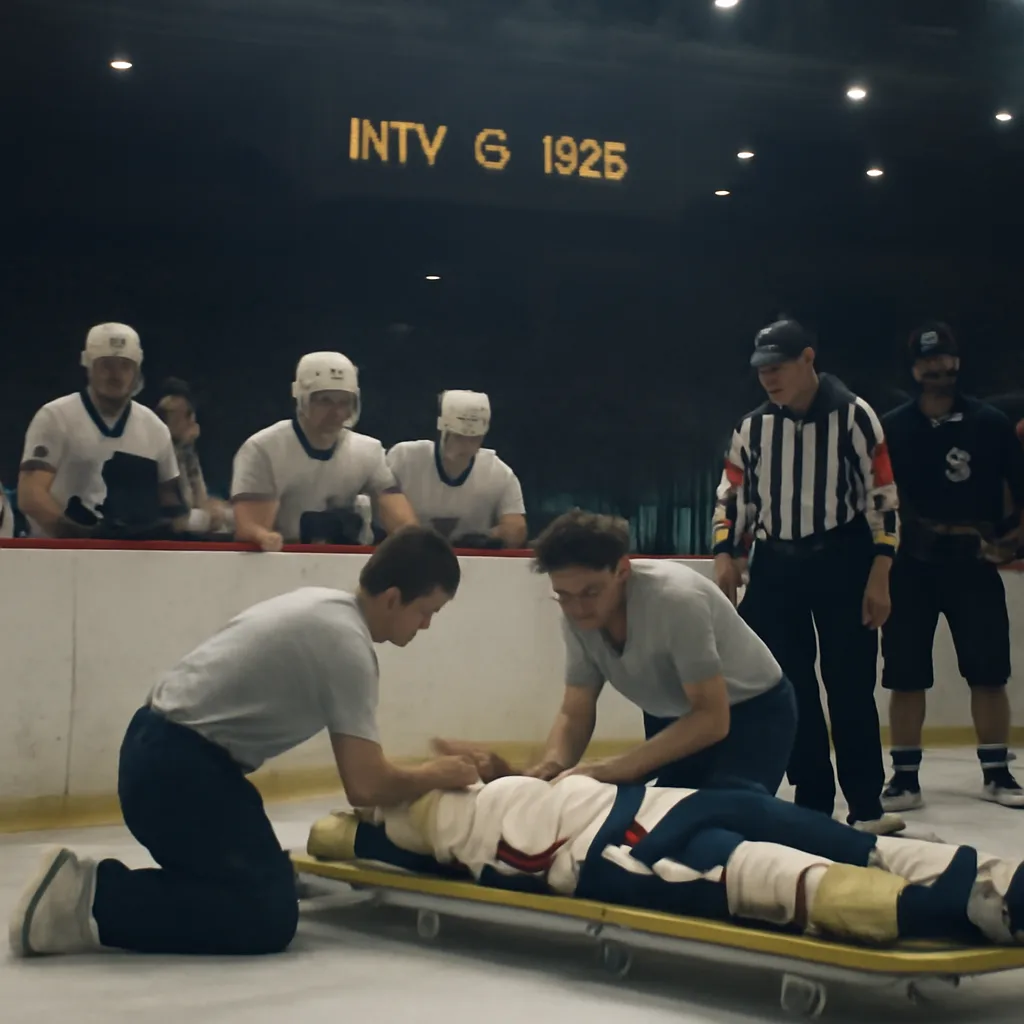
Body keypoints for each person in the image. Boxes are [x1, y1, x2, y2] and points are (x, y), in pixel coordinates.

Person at [8, 526, 482, 959]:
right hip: (177, 771)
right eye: (427, 611)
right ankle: (87, 898)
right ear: (394, 599)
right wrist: (438, 773)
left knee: (261, 883)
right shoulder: (348, 649)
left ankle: (100, 892)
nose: (426, 626)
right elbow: (366, 784)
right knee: (265, 915)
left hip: (162, 753)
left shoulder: (322, 607)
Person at [305, 753, 1024, 949]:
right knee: (793, 873)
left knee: (834, 849)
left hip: (643, 816)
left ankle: (987, 886)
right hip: (618, 845)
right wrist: (356, 823)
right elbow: (350, 828)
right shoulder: (409, 826)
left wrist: (485, 764)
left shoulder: (466, 796)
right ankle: (971, 898)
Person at [712, 320, 903, 835]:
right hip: (777, 564)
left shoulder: (855, 417)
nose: (768, 378)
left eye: (778, 367)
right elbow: (731, 494)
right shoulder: (752, 427)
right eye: (761, 370)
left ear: (808, 359)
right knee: (789, 685)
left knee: (849, 684)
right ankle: (812, 799)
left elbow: (881, 496)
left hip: (843, 557)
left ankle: (866, 804)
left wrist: (881, 570)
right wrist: (726, 552)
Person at [522, 509, 798, 795]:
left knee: (720, 816)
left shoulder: (676, 600)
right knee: (659, 818)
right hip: (676, 714)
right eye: (564, 595)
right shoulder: (576, 616)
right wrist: (552, 765)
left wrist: (615, 767)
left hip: (753, 712)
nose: (577, 609)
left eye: (591, 592)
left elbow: (712, 718)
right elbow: (575, 711)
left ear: (622, 570)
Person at [880, 323, 1024, 812]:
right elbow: (874, 500)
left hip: (972, 565)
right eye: (926, 361)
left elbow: (1020, 492)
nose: (936, 368)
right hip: (910, 566)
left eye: (943, 358)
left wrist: (1012, 543)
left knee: (989, 673)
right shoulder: (892, 426)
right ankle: (904, 779)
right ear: (914, 368)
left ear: (957, 362)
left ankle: (998, 774)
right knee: (904, 675)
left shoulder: (989, 423)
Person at [230, 351, 418, 551]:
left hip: (342, 559)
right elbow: (252, 529)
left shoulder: (368, 451)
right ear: (302, 399)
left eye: (344, 402)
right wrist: (265, 537)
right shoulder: (263, 449)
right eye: (325, 401)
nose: (336, 412)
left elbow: (403, 525)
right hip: (279, 559)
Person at [17, 323, 186, 538]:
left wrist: (174, 525)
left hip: (131, 559)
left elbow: (169, 499)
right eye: (106, 365)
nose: (115, 375)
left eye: (125, 365)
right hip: (58, 555)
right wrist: (79, 535)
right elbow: (30, 495)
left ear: (137, 371)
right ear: (89, 366)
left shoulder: (155, 428)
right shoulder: (55, 417)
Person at [386, 390, 528, 549]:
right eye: (459, 437)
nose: (466, 446)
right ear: (443, 431)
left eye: (474, 439)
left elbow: (516, 528)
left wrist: (489, 538)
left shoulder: (500, 473)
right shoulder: (404, 458)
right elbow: (380, 506)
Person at [154, 377, 231, 534]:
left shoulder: (189, 453)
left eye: (189, 414)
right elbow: (176, 521)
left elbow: (200, 500)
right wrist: (209, 516)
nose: (191, 422)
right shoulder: (154, 457)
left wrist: (214, 508)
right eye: (167, 414)